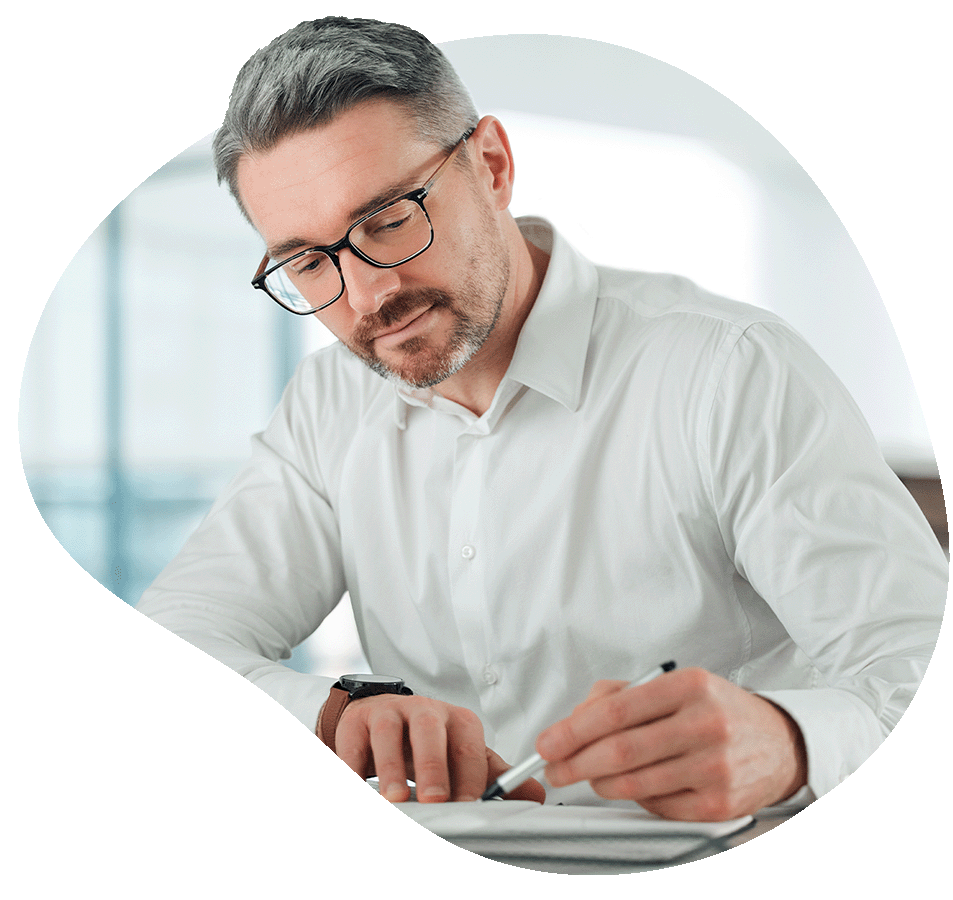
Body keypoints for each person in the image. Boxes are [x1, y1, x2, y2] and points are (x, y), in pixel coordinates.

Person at [137, 17, 947, 820]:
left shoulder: (731, 371)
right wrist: (336, 713)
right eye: (309, 262)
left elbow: (914, 673)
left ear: (490, 165)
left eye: (387, 221)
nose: (366, 296)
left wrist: (790, 742)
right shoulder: (327, 406)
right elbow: (168, 655)